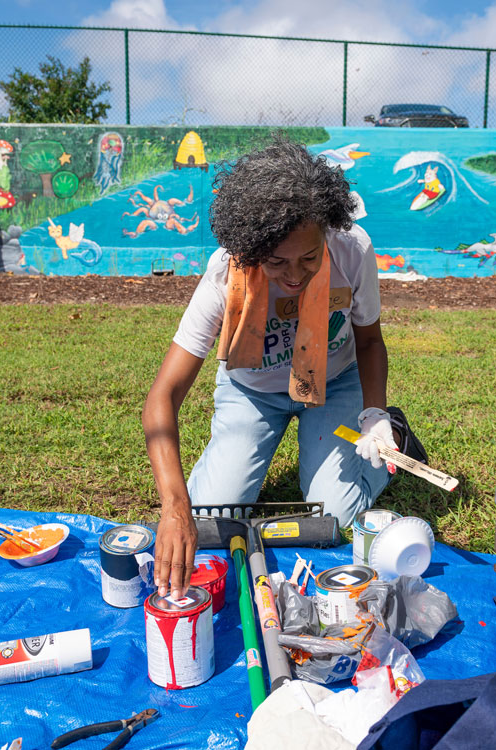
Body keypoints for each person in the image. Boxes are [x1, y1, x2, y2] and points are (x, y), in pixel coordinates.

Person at [142, 135, 426, 599]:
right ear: (251, 250)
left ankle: (398, 435)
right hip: (251, 391)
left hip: (335, 383)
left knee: (332, 517)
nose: (294, 275)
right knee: (210, 516)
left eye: (309, 258)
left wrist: (374, 415)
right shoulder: (224, 274)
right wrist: (175, 506)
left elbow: (370, 341)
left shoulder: (353, 250)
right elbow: (162, 396)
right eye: (276, 262)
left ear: (326, 234)